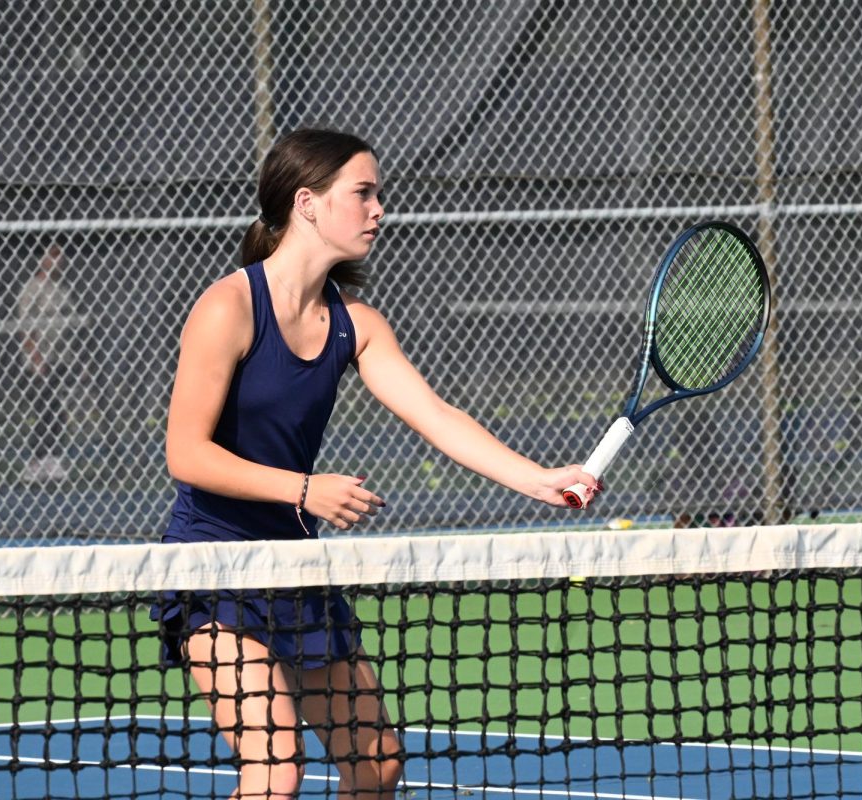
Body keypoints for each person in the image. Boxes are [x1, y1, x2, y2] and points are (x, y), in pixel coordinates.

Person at [153, 128, 601, 800]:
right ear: (307, 203)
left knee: (379, 763)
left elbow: (438, 416)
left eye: (378, 194)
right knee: (274, 773)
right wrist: (303, 490)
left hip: (294, 568)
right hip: (211, 563)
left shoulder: (356, 324)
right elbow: (185, 454)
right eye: (362, 193)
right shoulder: (228, 308)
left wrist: (539, 478)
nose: (378, 209)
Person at [16, 242, 75, 483]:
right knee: (45, 410)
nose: (57, 261)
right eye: (52, 256)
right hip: (41, 360)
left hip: (60, 359)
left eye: (60, 256)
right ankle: (36, 461)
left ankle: (50, 458)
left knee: (57, 411)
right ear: (42, 260)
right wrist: (36, 357)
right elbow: (25, 326)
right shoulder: (32, 288)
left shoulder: (62, 288)